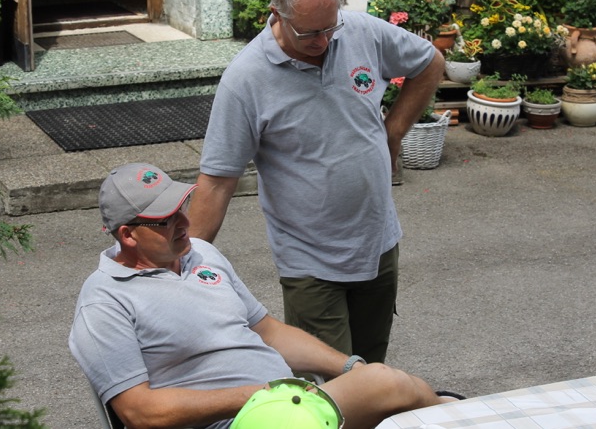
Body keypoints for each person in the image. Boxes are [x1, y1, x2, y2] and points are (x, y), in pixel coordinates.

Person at [187, 0, 445, 363]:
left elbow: (429, 62)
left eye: (330, 27)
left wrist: (393, 132)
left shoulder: (359, 30)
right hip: (311, 262)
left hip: (377, 243)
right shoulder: (246, 79)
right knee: (333, 381)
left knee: (373, 371)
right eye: (308, 32)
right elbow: (217, 182)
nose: (323, 41)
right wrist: (183, 265)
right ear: (277, 14)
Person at [69, 163, 456, 429]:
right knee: (388, 386)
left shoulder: (202, 254)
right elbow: (140, 413)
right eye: (166, 219)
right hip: (243, 419)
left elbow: (268, 331)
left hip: (288, 410)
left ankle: (452, 410)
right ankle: (454, 409)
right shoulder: (104, 302)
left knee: (386, 394)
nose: (185, 222)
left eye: (181, 207)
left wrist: (349, 366)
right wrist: (258, 395)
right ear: (128, 235)